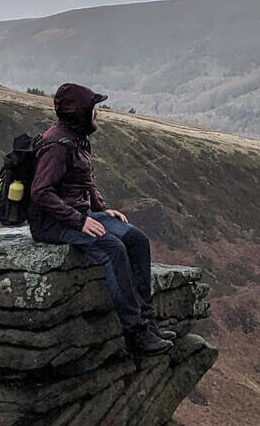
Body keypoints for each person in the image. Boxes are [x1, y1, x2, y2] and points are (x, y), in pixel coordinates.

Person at [29, 82, 175, 356]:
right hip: (53, 223)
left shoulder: (77, 138)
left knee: (137, 239)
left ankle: (147, 321)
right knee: (113, 248)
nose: (98, 113)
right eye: (94, 108)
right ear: (80, 112)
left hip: (78, 215)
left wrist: (101, 208)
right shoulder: (57, 145)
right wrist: (79, 221)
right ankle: (135, 334)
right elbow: (40, 192)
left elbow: (83, 181)